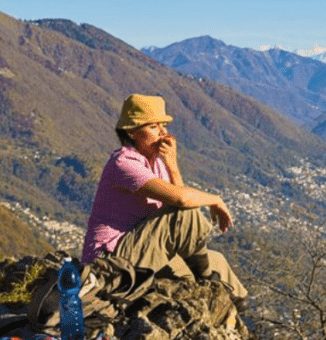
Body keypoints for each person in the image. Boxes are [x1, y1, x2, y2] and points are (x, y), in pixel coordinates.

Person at [80, 94, 247, 302]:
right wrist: (216, 200)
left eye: (163, 125)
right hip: (111, 259)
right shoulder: (124, 164)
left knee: (217, 261)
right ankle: (206, 279)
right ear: (132, 132)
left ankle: (236, 312)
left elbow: (179, 198)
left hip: (141, 247)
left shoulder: (157, 162)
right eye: (153, 126)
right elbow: (182, 202)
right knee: (185, 216)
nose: (162, 132)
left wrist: (172, 165)